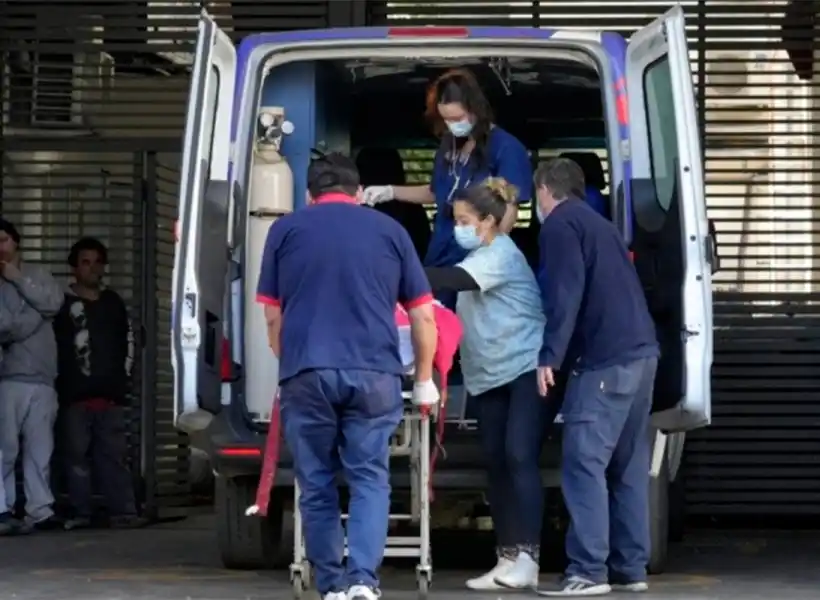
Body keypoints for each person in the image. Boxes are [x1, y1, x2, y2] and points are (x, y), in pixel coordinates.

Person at [256, 153, 440, 600]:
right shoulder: (391, 231)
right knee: (369, 478)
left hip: (307, 373)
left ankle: (332, 586)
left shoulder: (285, 229)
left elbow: (272, 316)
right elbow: (422, 317)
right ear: (359, 194)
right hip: (375, 375)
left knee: (315, 482)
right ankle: (363, 581)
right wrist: (423, 379)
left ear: (308, 194)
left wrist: (292, 362)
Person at [531, 159, 659, 597]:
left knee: (584, 464)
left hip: (604, 361)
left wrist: (550, 355)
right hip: (641, 356)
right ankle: (630, 567)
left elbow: (566, 292)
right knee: (626, 467)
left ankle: (587, 570)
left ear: (546, 190)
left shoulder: (561, 225)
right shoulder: (600, 224)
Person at [423, 178, 551, 591]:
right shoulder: (481, 252)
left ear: (490, 222)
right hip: (488, 373)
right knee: (495, 461)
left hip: (523, 368)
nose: (458, 228)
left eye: (465, 221)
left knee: (518, 457)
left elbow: (454, 280)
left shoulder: (500, 254)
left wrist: (399, 270)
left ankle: (529, 557)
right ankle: (507, 557)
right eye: (455, 220)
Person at [362, 68, 533, 307]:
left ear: (476, 109)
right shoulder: (448, 146)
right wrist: (390, 191)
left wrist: (490, 254)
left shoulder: (506, 148)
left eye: (457, 118)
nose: (452, 126)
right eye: (446, 119)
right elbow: (436, 192)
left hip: (475, 255)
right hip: (441, 249)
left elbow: (510, 207)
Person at [53, 237, 144, 530]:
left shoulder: (112, 303)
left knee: (115, 457)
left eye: (97, 262)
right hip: (73, 397)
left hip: (110, 397)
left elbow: (128, 342)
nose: (92, 268)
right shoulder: (61, 305)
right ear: (74, 267)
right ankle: (80, 512)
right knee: (76, 458)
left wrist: (124, 378)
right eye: (85, 262)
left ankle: (123, 511)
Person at [0, 218, 64, 534]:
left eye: (3, 240)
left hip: (43, 379)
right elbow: (4, 327)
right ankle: (6, 509)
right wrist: (39, 314)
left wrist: (18, 279)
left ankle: (40, 510)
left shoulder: (37, 274)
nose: (0, 248)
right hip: (8, 378)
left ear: (16, 241)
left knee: (41, 451)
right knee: (6, 450)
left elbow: (55, 302)